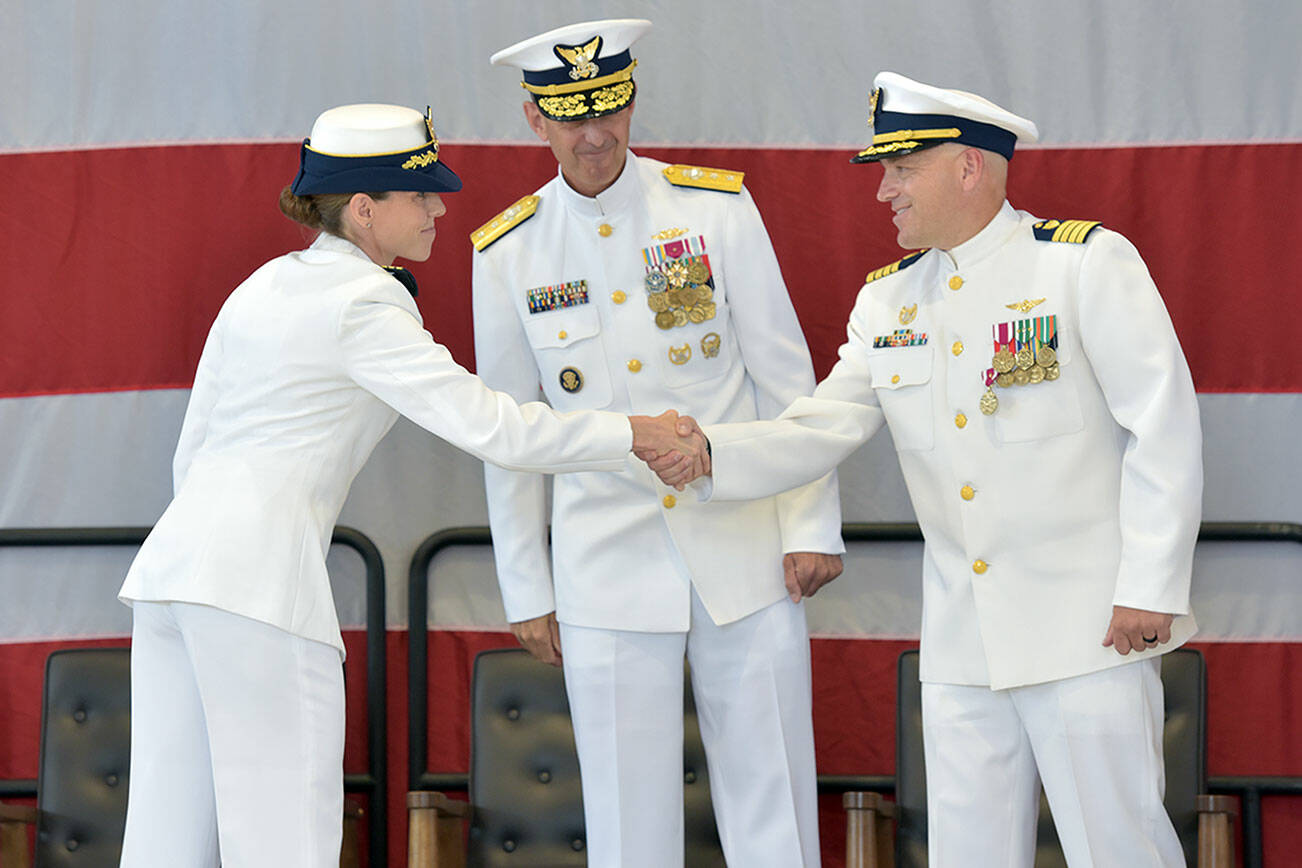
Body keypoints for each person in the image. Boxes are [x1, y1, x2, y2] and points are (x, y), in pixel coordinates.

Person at [115, 102, 702, 868]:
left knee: (164, 841)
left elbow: (188, 459)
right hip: (259, 590)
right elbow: (495, 428)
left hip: (171, 579)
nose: (438, 207)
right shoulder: (365, 302)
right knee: (286, 844)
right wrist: (635, 431)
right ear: (364, 211)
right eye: (418, 194)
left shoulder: (265, 283)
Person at [663, 72, 1202, 866]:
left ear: (969, 167)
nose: (883, 191)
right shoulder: (887, 303)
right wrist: (712, 452)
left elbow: (1164, 427)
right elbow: (820, 426)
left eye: (901, 169)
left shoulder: (1082, 266)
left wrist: (1150, 588)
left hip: (1090, 631)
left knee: (1120, 850)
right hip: (962, 641)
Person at [471, 19, 844, 868]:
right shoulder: (508, 251)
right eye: (571, 116)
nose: (595, 135)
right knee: (626, 819)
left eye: (609, 109)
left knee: (774, 801)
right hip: (605, 561)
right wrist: (527, 582)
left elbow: (788, 379)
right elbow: (510, 434)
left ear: (632, 100)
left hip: (745, 547)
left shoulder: (713, 206)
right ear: (535, 118)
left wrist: (811, 524)